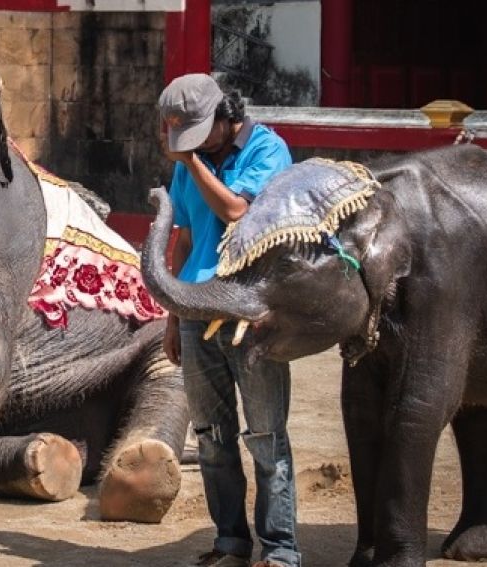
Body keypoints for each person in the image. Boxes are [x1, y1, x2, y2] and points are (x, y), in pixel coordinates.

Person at [158, 74, 298, 567]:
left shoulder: (267, 150)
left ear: (225, 114)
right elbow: (185, 238)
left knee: (265, 435)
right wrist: (173, 314)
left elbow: (237, 211)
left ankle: (280, 552)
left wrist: (191, 162)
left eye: (197, 134)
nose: (192, 145)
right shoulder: (190, 162)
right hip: (196, 311)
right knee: (211, 437)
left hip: (250, 311)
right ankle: (231, 544)